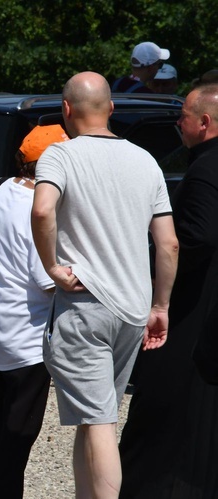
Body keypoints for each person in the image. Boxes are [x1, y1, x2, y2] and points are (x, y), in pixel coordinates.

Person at [31, 71, 178, 499]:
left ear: (65, 110)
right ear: (112, 108)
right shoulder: (146, 160)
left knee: (99, 422)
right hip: (132, 309)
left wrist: (52, 266)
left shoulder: (59, 156)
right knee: (94, 415)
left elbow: (42, 212)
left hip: (84, 306)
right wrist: (161, 306)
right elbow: (168, 244)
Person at [119, 83, 218, 499]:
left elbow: (198, 235)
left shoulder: (204, 169)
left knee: (164, 409)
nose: (178, 124)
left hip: (196, 309)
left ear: (204, 122)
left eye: (183, 117)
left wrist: (154, 267)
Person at [0, 125, 67, 499]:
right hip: (26, 343)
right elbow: (44, 277)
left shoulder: (1, 191)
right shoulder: (37, 208)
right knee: (17, 443)